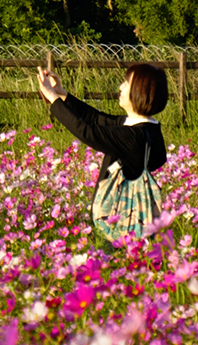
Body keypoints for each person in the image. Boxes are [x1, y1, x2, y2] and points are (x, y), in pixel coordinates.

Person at [37, 63, 169, 240]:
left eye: (126, 83)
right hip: (130, 221)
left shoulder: (133, 136)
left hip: (121, 224)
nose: (120, 87)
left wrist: (53, 99)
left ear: (139, 91)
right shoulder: (145, 129)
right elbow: (95, 118)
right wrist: (62, 94)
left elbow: (86, 132)